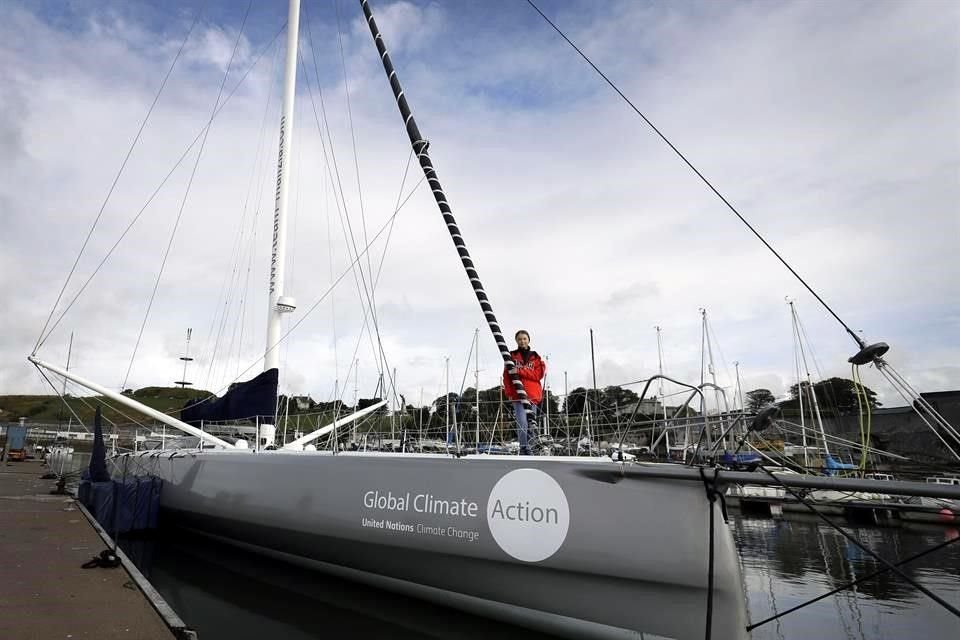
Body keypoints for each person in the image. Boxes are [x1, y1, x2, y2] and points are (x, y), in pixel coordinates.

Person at [502, 330, 546, 455]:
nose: (522, 341)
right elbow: (507, 376)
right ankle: (524, 449)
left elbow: (538, 375)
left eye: (524, 338)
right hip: (518, 396)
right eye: (520, 339)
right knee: (522, 423)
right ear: (516, 341)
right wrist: (509, 393)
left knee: (532, 423)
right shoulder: (511, 356)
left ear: (528, 340)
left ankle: (531, 449)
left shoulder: (536, 357)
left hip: (532, 395)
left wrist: (520, 371)